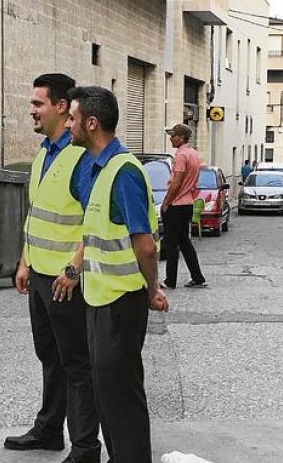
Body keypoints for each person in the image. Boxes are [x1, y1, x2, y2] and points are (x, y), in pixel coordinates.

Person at [67, 86, 166, 463]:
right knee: (107, 389)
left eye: (74, 118)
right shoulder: (100, 168)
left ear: (91, 124)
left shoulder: (123, 171)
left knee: (121, 392)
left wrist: (152, 289)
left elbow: (145, 245)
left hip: (122, 301)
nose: (70, 124)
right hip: (99, 297)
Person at [5, 73, 101, 463]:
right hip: (41, 276)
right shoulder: (45, 153)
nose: (32, 110)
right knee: (50, 357)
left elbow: (93, 223)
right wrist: (25, 262)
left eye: (37, 104)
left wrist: (74, 271)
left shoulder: (81, 156)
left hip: (67, 282)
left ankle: (84, 447)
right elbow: (38, 214)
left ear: (62, 107)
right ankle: (48, 430)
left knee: (77, 364)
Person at [160, 123, 206, 290]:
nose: (171, 138)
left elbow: (177, 181)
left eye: (173, 136)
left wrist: (166, 201)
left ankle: (170, 280)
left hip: (176, 204)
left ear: (180, 137)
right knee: (185, 242)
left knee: (171, 244)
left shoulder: (181, 155)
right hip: (187, 203)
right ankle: (197, 277)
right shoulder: (193, 154)